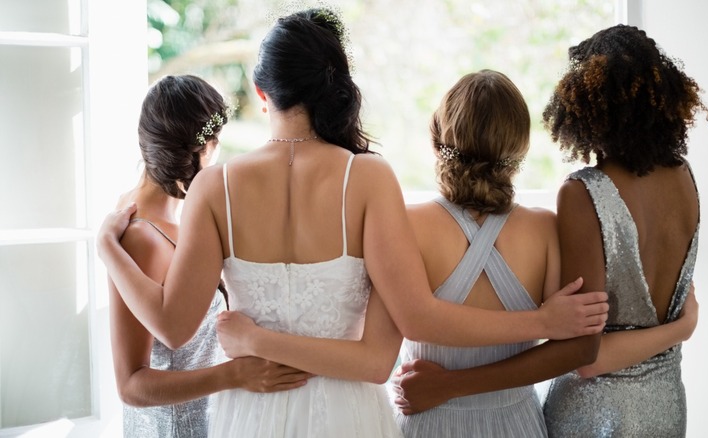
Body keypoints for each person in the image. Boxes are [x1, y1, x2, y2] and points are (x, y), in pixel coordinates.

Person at [97, 8, 609, 438]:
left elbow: (170, 324)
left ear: (261, 92)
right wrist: (541, 324)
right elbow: (378, 360)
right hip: (348, 416)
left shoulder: (216, 186)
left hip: (250, 415)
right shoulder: (367, 177)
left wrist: (109, 251)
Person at [388, 70, 602, 438]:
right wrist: (544, 322)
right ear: (520, 149)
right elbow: (570, 348)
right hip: (516, 424)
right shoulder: (546, 230)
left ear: (438, 137)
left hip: (428, 420)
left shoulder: (407, 225)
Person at [109, 75, 310, 438]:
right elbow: (130, 385)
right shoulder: (142, 238)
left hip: (213, 420)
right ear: (205, 146)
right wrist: (233, 375)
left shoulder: (175, 217)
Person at [540, 24, 706, 437]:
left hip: (596, 413)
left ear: (584, 104)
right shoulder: (684, 178)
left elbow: (586, 355)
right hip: (666, 405)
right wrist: (679, 330)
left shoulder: (583, 192)